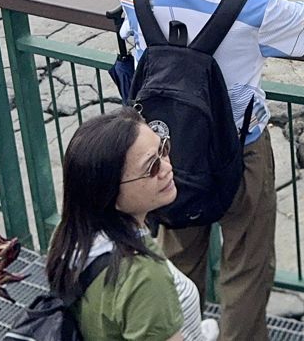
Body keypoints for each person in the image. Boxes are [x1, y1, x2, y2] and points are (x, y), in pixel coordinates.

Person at [118, 0, 304, 341]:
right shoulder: (250, 8)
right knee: (246, 266)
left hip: (167, 151)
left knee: (178, 260)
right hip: (242, 152)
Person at [44, 110, 218, 341]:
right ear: (110, 192)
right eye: (151, 167)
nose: (166, 168)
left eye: (163, 149)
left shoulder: (70, 238)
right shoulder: (144, 278)